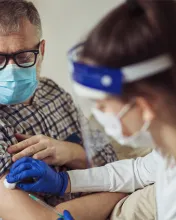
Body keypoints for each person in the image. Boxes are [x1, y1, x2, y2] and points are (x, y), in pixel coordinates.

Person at [6, 0, 176, 219]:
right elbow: (138, 170)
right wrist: (64, 182)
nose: (98, 113)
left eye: (102, 104)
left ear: (145, 105)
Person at [0, 0, 126, 219]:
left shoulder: (53, 92)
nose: (11, 70)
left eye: (23, 57)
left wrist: (65, 151)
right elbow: (37, 215)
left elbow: (108, 158)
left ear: (41, 51)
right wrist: (117, 194)